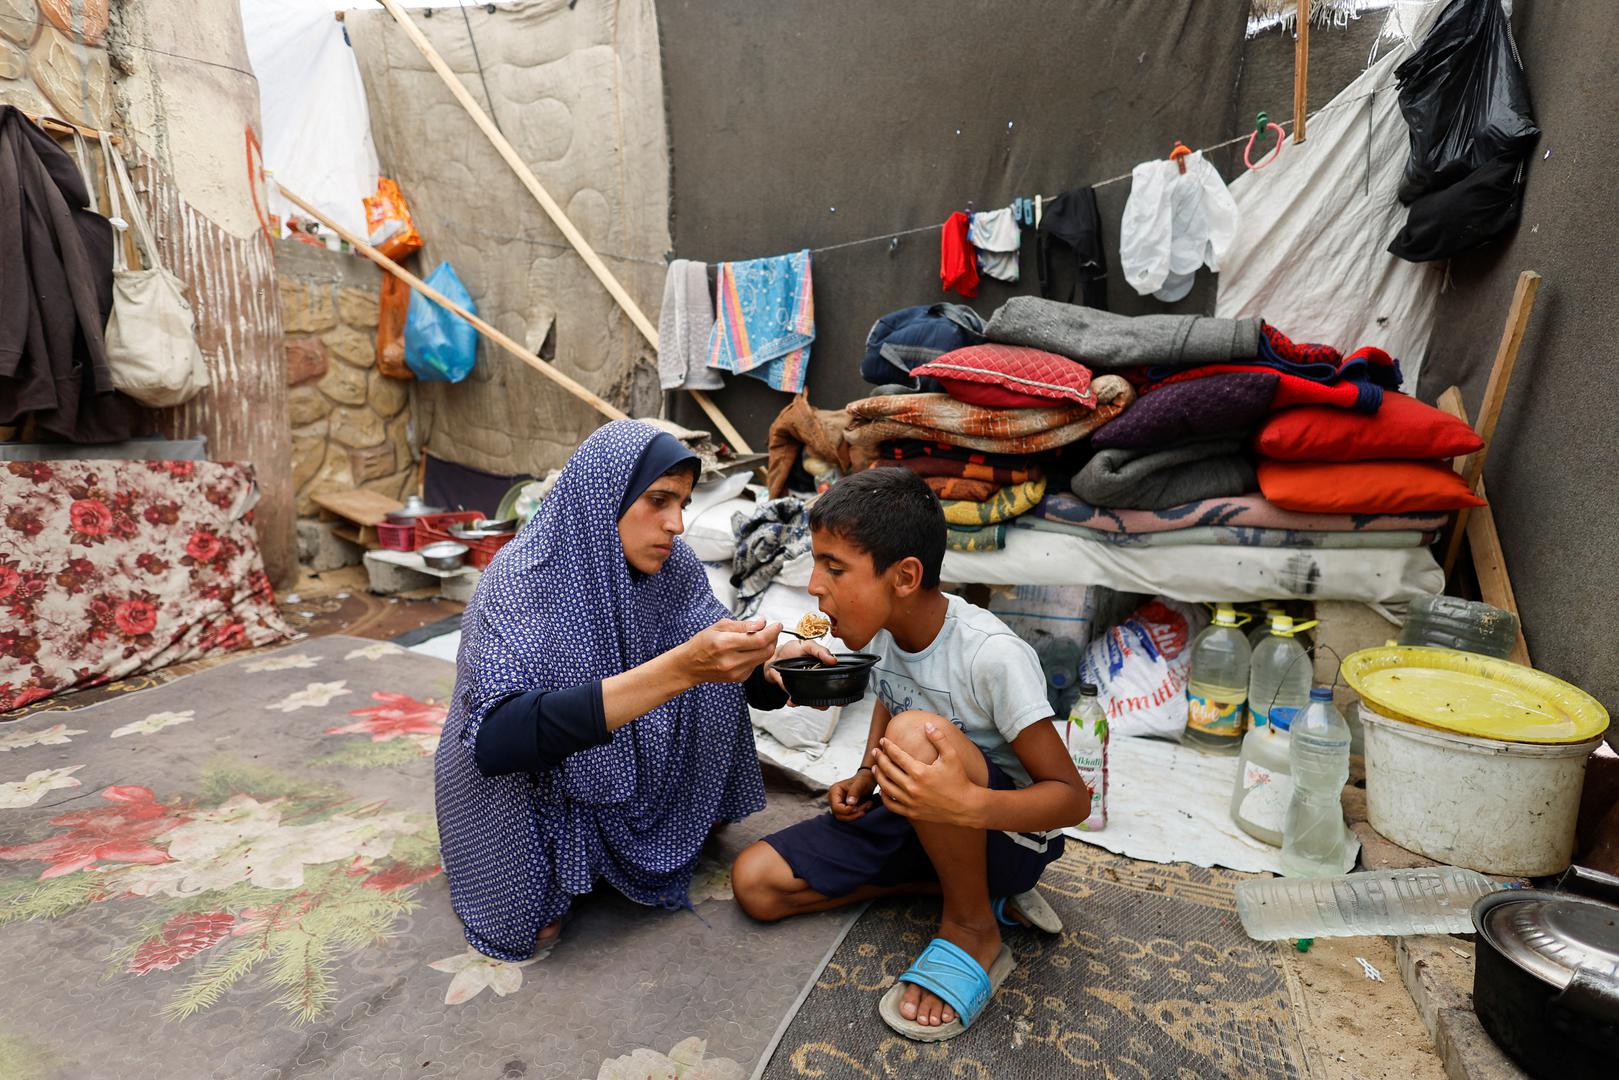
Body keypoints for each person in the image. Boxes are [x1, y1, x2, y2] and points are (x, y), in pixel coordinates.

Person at [434, 420, 822, 961]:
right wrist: (681, 669)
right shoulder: (519, 581)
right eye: (658, 501)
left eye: (683, 504)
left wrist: (771, 667)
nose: (677, 524)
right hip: (528, 765)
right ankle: (563, 866)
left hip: (618, 740)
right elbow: (501, 739)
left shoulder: (670, 566)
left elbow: (714, 652)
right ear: (602, 496)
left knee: (709, 675)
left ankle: (674, 825)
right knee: (530, 919)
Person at [730, 467, 1091, 1042]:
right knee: (757, 884)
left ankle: (973, 927)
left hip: (1008, 834)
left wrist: (968, 806)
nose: (815, 584)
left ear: (904, 576)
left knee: (919, 734)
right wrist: (867, 773)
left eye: (834, 567)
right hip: (924, 817)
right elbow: (892, 699)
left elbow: (1071, 801)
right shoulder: (877, 632)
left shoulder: (991, 655)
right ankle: (966, 892)